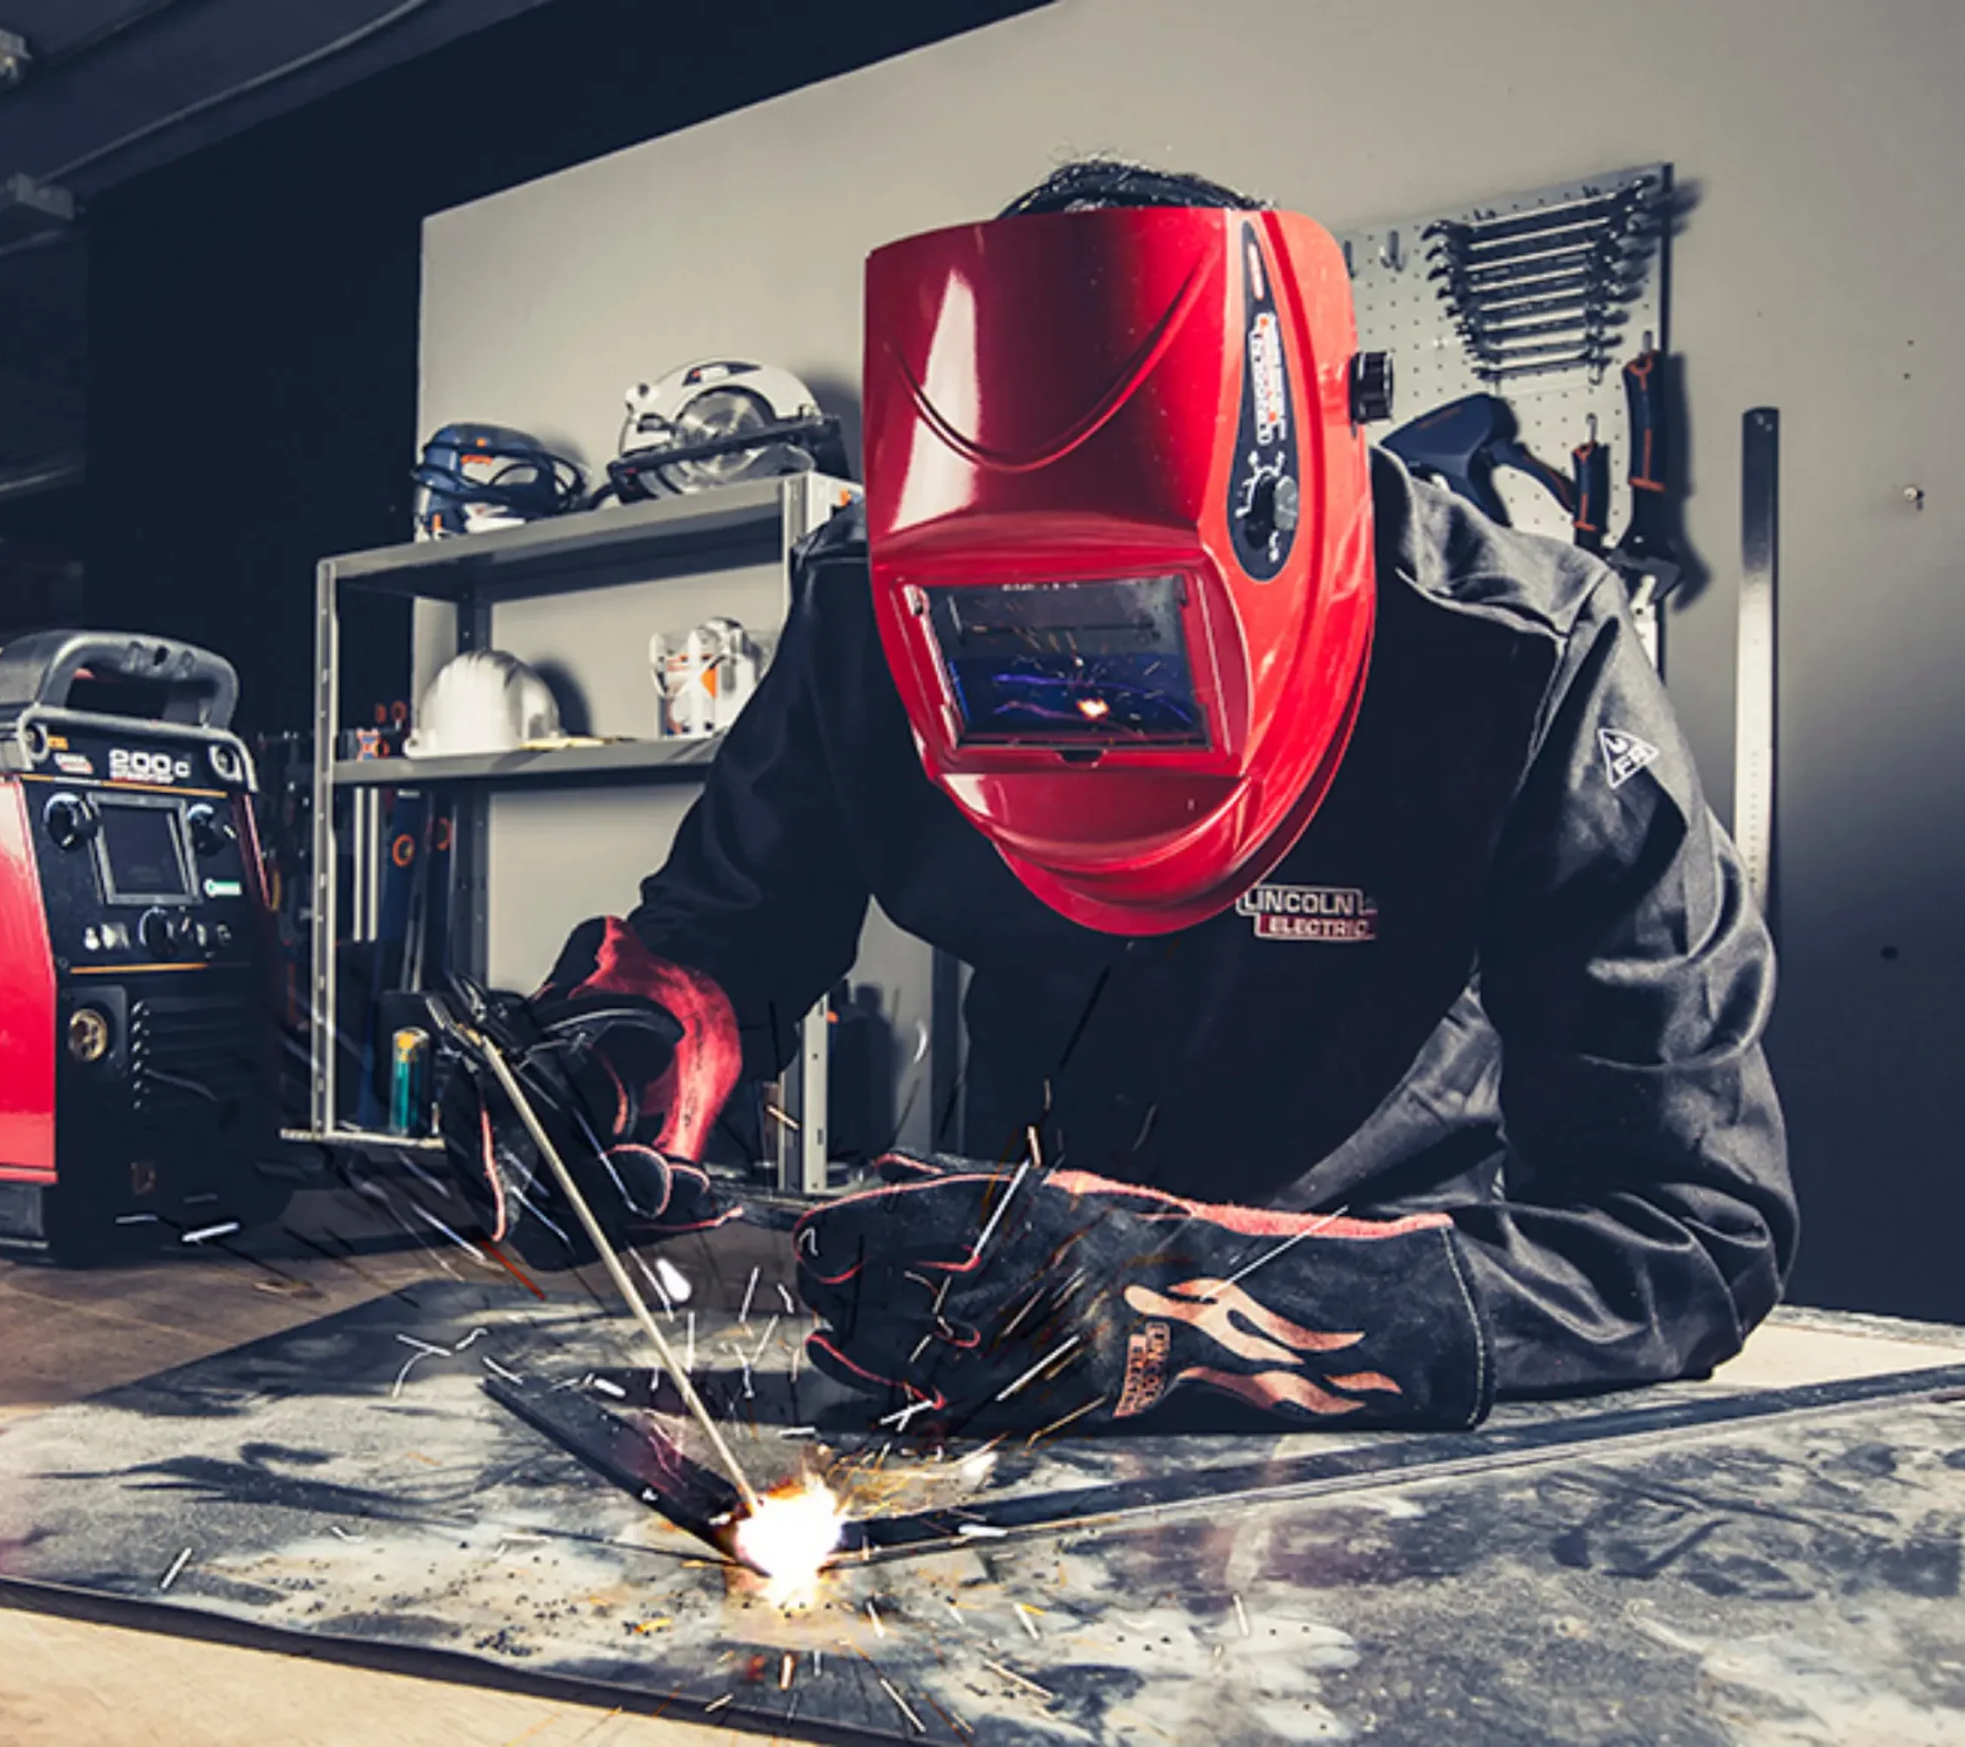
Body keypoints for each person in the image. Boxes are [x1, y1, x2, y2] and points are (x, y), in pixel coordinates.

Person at [435, 160, 1791, 1438]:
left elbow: (1687, 1233)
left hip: (1365, 1354)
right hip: (992, 1325)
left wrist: (1202, 1312)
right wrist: (620, 1059)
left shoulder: (1522, 659)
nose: (1081, 701)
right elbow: (724, 937)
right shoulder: (867, 615)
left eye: (1132, 633)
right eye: (1007, 646)